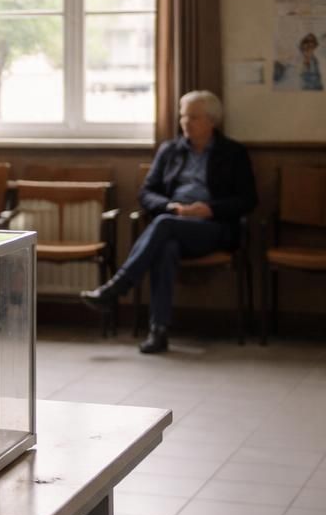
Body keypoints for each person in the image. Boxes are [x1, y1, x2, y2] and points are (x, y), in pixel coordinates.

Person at [80, 90, 257, 354]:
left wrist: (208, 209)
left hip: (213, 229)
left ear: (212, 121)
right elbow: (146, 193)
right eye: (183, 116)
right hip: (175, 223)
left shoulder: (232, 153)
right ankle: (158, 332)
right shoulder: (170, 150)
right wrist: (170, 206)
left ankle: (118, 287)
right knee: (166, 246)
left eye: (193, 117)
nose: (185, 122)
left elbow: (247, 199)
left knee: (163, 225)